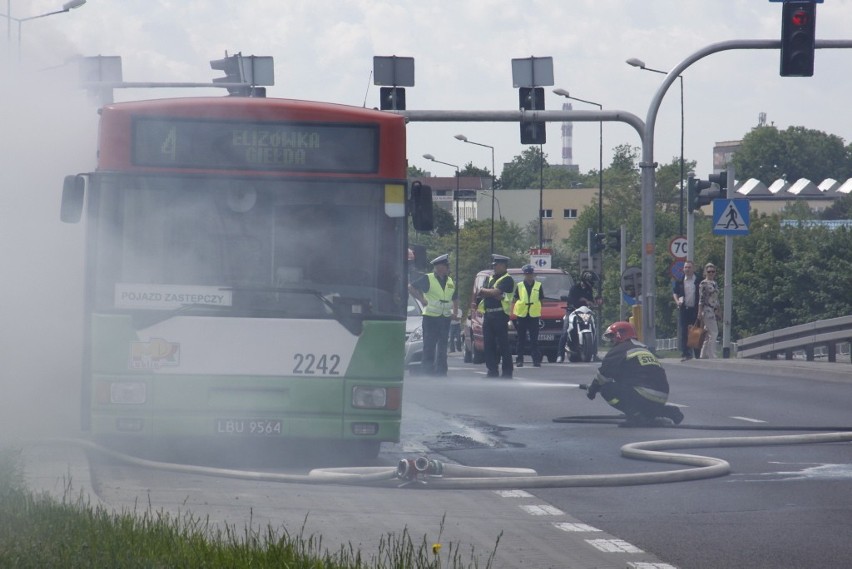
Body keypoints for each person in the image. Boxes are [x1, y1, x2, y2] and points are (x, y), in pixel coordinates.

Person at [585, 321, 684, 427]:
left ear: (620, 335)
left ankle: (635, 416)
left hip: (643, 394)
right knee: (637, 397)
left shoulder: (619, 349)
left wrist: (592, 390)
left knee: (607, 389)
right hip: (661, 396)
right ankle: (665, 411)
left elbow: (602, 376)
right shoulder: (643, 348)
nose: (611, 341)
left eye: (612, 336)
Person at [408, 253, 459, 376]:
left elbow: (455, 298)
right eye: (446, 266)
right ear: (440, 267)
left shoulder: (450, 281)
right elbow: (411, 287)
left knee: (442, 346)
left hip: (445, 318)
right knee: (429, 346)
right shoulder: (428, 278)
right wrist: (421, 300)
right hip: (430, 317)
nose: (448, 268)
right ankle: (427, 372)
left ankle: (441, 372)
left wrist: (455, 313)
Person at [477, 254, 515, 378]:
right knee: (489, 345)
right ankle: (492, 370)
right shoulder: (490, 278)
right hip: (488, 314)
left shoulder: (507, 279)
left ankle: (507, 371)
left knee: (503, 345)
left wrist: (486, 292)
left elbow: (495, 292)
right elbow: (480, 292)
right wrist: (488, 292)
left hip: (500, 315)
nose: (494, 267)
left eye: (497, 265)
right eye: (494, 265)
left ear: (503, 266)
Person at [557, 270, 601, 362]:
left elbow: (591, 301)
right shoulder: (574, 288)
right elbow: (571, 300)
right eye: (591, 281)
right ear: (586, 280)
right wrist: (582, 300)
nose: (592, 283)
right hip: (572, 311)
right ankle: (560, 355)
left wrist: (595, 303)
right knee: (565, 331)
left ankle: (594, 354)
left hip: (585, 312)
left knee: (594, 328)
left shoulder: (589, 290)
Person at [513, 264, 544, 367]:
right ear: (524, 275)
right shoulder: (520, 285)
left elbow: (541, 299)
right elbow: (516, 298)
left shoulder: (538, 285)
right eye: (527, 274)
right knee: (521, 339)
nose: (529, 276)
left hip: (534, 315)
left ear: (533, 275)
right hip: (522, 315)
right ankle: (519, 360)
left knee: (534, 339)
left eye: (530, 274)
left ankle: (536, 360)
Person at [672, 260, 701, 361]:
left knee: (695, 330)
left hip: (695, 308)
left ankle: (696, 353)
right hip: (684, 308)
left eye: (689, 267)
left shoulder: (698, 280)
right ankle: (686, 353)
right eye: (686, 267)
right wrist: (677, 302)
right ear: (683, 269)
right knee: (684, 330)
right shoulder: (680, 281)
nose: (687, 269)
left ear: (693, 269)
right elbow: (675, 293)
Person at [697, 262, 721, 359]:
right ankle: (711, 353)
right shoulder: (703, 283)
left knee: (708, 333)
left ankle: (703, 354)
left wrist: (719, 310)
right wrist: (699, 311)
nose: (711, 273)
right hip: (707, 310)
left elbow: (716, 298)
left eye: (713, 271)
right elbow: (701, 298)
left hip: (713, 309)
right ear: (705, 272)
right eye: (709, 271)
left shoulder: (714, 283)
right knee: (714, 332)